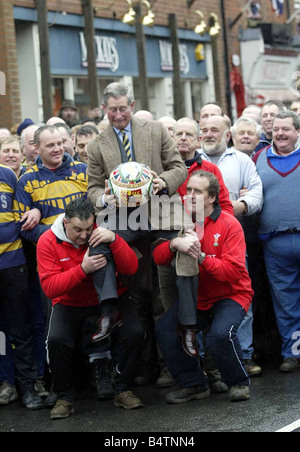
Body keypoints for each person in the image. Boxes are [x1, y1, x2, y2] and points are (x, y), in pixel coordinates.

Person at [87, 83, 199, 354]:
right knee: (98, 240)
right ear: (104, 109)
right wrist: (104, 199)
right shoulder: (96, 145)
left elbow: (178, 168)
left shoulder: (156, 129)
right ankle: (109, 311)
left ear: (132, 106)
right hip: (123, 216)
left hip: (161, 209)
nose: (118, 115)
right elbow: (92, 188)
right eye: (112, 110)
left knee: (189, 246)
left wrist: (163, 181)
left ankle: (188, 324)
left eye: (123, 109)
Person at [36, 198, 144, 418]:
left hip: (109, 300)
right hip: (69, 302)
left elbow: (131, 267)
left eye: (88, 228)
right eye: (78, 230)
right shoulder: (47, 240)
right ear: (65, 223)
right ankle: (64, 396)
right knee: (56, 339)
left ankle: (123, 389)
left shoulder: (101, 230)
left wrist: (114, 239)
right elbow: (49, 288)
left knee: (135, 332)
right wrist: (82, 269)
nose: (84, 236)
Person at [154, 170, 253, 404]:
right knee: (166, 330)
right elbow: (158, 257)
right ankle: (194, 384)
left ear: (212, 197)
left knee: (219, 335)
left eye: (197, 191)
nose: (190, 195)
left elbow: (233, 272)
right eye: (188, 190)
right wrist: (174, 243)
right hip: (196, 297)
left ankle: (238, 382)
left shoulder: (230, 224)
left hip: (231, 294)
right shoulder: (179, 219)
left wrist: (201, 257)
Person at [200, 115, 263, 375]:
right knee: (201, 300)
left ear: (227, 135)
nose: (208, 134)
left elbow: (257, 192)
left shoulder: (242, 160)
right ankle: (209, 361)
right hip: (200, 237)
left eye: (215, 130)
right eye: (203, 130)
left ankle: (244, 354)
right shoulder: (193, 160)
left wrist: (240, 206)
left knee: (237, 293)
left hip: (232, 233)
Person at [254, 111, 300, 373]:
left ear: (297, 131)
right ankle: (292, 353)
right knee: (286, 303)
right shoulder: (258, 158)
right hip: (275, 243)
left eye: (287, 129)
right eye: (276, 129)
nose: (280, 134)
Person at [0, 163, 44, 410]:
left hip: (13, 262)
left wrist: (36, 209)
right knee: (0, 332)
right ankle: (6, 382)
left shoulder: (6, 174)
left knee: (20, 328)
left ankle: (28, 387)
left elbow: (22, 210)